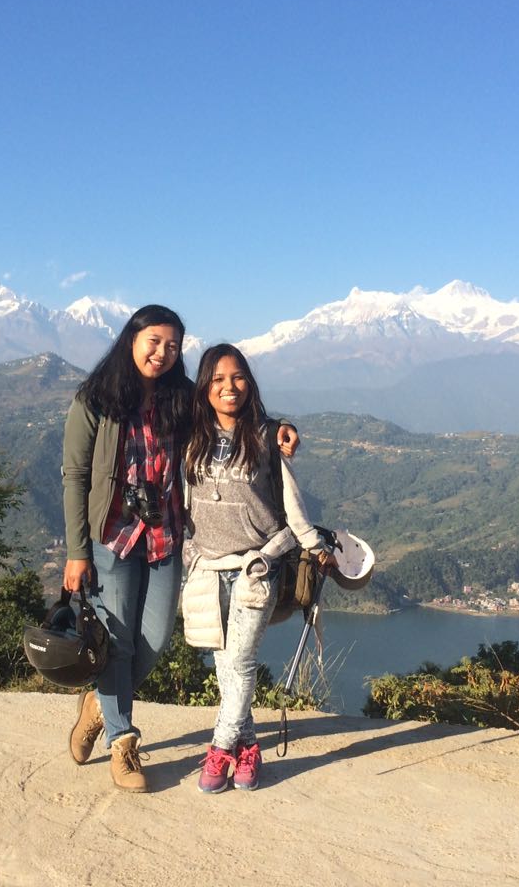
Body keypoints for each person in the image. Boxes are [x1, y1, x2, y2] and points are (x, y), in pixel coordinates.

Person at [61, 307, 297, 793]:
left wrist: (277, 430)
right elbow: (75, 476)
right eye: (153, 341)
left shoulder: (179, 398)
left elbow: (230, 411)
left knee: (153, 641)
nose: (161, 352)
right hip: (113, 537)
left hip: (168, 536)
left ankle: (97, 703)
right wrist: (76, 549)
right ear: (131, 339)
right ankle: (122, 740)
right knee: (119, 638)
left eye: (172, 345)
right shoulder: (96, 400)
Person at [180, 343, 334, 793]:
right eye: (218, 379)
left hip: (257, 567)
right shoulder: (191, 437)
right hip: (207, 569)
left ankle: (221, 747)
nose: (230, 387)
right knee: (225, 667)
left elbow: (291, 505)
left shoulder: (266, 437)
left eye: (239, 377)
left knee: (242, 663)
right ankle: (250, 749)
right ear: (204, 387)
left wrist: (314, 546)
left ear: (251, 382)